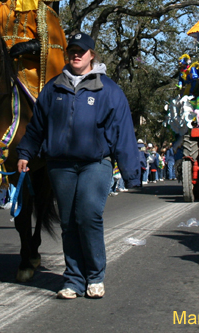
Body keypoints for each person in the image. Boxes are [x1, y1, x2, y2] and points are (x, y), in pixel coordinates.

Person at [16, 32, 141, 299]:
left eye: (81, 51)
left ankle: (95, 276)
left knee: (88, 215)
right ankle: (73, 279)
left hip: (95, 163)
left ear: (92, 55)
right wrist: (25, 152)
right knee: (69, 222)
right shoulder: (52, 89)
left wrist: (131, 174)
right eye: (72, 50)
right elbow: (37, 127)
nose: (76, 54)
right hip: (60, 165)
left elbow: (123, 132)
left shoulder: (109, 90)